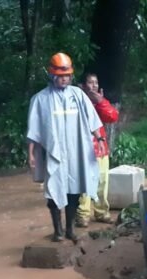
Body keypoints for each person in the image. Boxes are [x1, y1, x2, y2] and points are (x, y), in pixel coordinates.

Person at [26, 53, 103, 242]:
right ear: (52, 75)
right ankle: (57, 231)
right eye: (61, 76)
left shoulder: (78, 95)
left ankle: (70, 229)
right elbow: (33, 129)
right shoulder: (40, 99)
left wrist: (99, 139)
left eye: (67, 75)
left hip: (77, 152)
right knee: (53, 190)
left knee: (74, 190)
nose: (64, 79)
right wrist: (31, 154)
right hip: (54, 154)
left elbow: (92, 120)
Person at [76, 73, 120, 228]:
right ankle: (83, 215)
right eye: (90, 82)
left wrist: (100, 101)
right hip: (83, 149)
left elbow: (113, 116)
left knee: (102, 182)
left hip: (101, 148)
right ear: (82, 85)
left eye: (96, 82)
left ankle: (101, 212)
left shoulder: (100, 102)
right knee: (85, 184)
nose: (93, 85)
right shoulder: (77, 102)